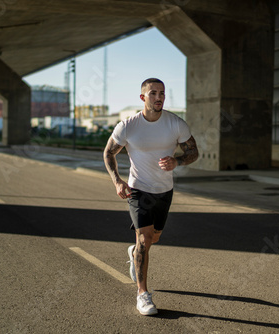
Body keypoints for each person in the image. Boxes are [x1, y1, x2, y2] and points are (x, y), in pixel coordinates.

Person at [103, 78, 199, 316]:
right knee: (145, 240)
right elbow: (108, 152)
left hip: (164, 190)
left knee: (153, 239)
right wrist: (117, 181)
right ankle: (142, 294)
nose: (159, 97)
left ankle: (134, 252)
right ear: (142, 98)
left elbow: (193, 151)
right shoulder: (128, 126)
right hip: (138, 190)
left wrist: (177, 161)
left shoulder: (175, 124)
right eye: (153, 93)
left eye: (162, 93)